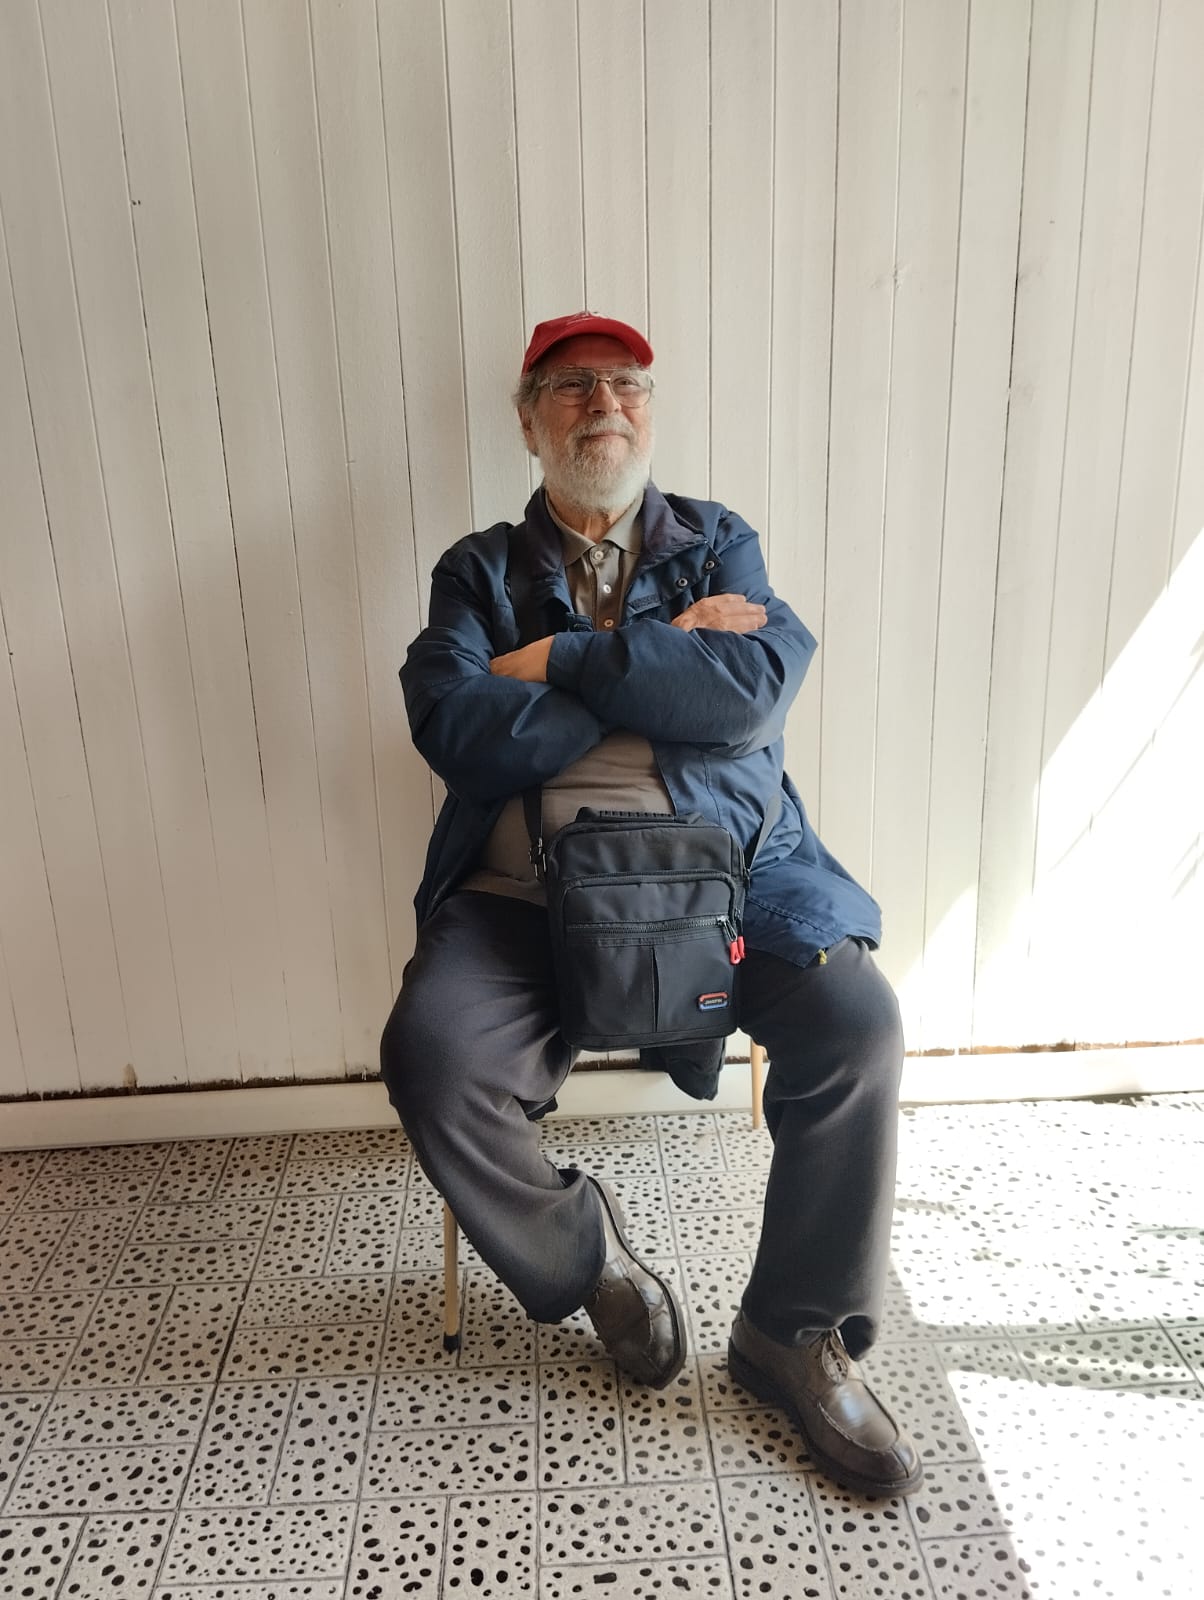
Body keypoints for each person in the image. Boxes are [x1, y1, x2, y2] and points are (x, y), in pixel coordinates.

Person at [380, 310, 921, 1499]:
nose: (603, 404)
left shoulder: (716, 541)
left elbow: (747, 693)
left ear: (650, 410)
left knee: (855, 1027)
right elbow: (456, 728)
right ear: (528, 421)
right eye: (572, 386)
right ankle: (590, 1262)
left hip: (731, 873)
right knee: (433, 1057)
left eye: (625, 383)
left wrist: (557, 660)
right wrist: (659, 657)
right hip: (525, 892)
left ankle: (791, 1331)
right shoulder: (478, 569)